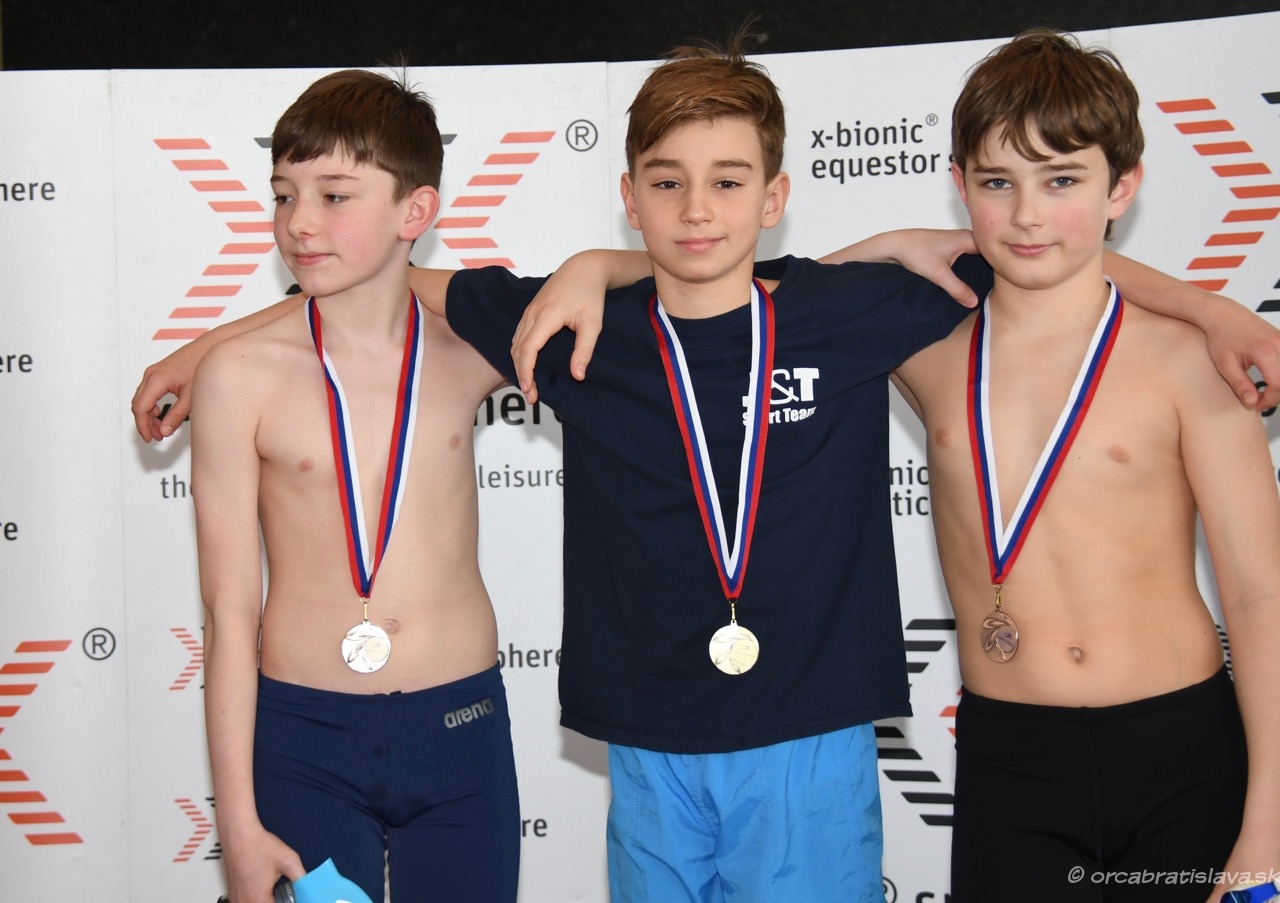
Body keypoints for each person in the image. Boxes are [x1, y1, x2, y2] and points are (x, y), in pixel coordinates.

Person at [134, 39, 1280, 903]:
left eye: (729, 183)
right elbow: (377, 282)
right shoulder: (579, 332)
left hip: (821, 737)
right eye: (667, 184)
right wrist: (206, 349)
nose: (697, 209)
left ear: (773, 198)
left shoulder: (852, 312)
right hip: (651, 745)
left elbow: (1045, 261)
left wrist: (1210, 306)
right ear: (627, 193)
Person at [859, 30, 1280, 900]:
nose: (1026, 215)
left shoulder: (1188, 360)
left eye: (1061, 181)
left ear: (1122, 185)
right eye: (996, 183)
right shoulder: (926, 347)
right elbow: (744, 297)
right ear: (960, 184)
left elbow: (1260, 595)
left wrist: (1269, 822)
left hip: (1182, 758)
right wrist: (900, 242)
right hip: (1011, 764)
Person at [190, 69, 521, 903]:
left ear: (417, 210)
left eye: (334, 196)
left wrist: (588, 270)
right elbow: (229, 611)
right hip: (304, 737)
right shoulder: (237, 374)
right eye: (283, 194)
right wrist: (238, 827)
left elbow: (668, 287)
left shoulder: (474, 350)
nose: (299, 222)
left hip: (460, 730)